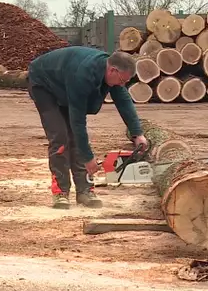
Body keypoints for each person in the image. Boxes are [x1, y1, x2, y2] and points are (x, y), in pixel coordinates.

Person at [27, 46, 148, 209]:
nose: (123, 84)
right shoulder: (82, 75)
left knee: (75, 139)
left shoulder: (111, 74)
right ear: (112, 70)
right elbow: (78, 122)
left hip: (64, 84)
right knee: (61, 137)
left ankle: (84, 191)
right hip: (44, 84)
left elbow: (124, 102)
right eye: (122, 81)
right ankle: (60, 192)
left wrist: (137, 133)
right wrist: (88, 157)